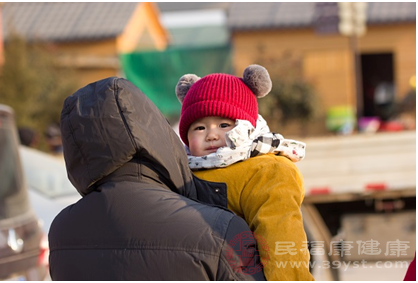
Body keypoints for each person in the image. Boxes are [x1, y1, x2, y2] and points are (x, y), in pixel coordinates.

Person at [48, 77, 265, 281]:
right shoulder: (221, 227)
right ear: (156, 131)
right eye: (200, 127)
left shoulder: (61, 230)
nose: (212, 135)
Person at [175, 64, 314, 281]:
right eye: (199, 128)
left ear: (248, 127)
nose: (211, 135)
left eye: (223, 124)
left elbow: (282, 236)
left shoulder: (267, 171)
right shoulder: (178, 170)